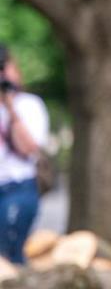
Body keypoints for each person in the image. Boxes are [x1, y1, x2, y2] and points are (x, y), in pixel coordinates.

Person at [0, 43, 49, 264]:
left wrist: (10, 107)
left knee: (11, 252)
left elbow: (29, 147)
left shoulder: (29, 105)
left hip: (19, 187)